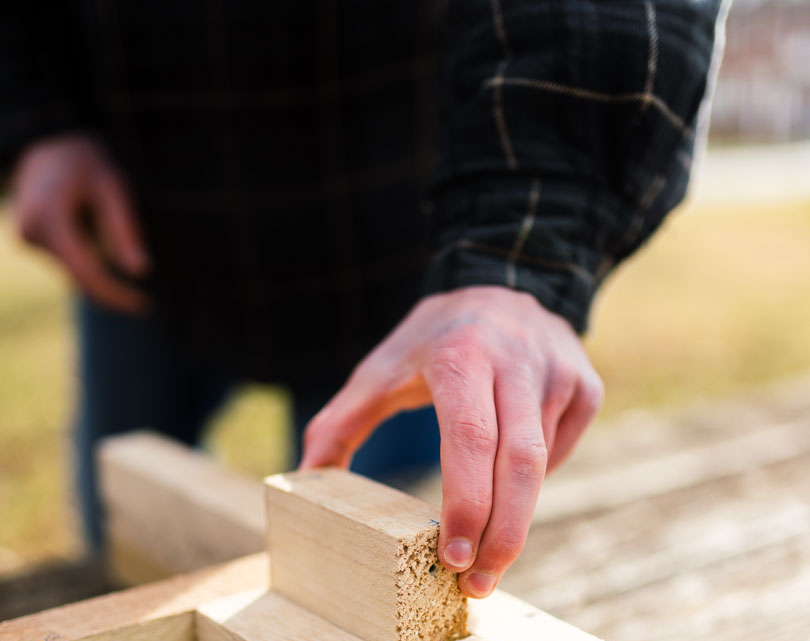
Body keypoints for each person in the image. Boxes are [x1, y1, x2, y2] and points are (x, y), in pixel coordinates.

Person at [2, 1, 728, 598]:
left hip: (405, 268)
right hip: (137, 234)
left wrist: (518, 257)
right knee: (127, 543)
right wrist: (34, 120)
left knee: (392, 576)